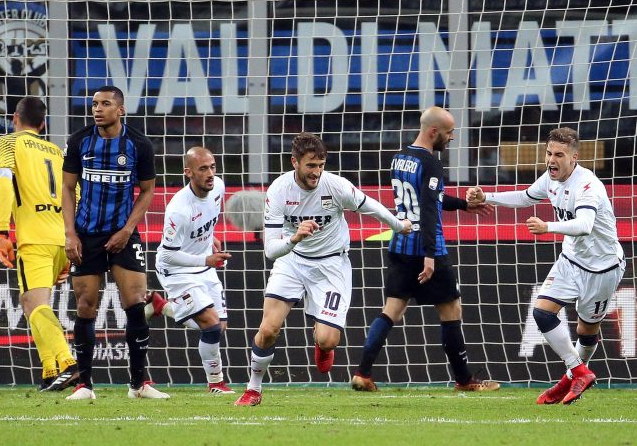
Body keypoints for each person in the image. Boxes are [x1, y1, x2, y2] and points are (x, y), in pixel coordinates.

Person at [234, 132, 412, 406]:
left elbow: (370, 206)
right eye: (310, 166)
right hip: (292, 261)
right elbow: (270, 251)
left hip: (331, 265)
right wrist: (294, 238)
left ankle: (321, 343)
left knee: (328, 340)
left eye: (320, 165)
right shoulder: (279, 191)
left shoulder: (336, 186)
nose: (316, 172)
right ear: (295, 162)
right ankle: (253, 389)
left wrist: (398, 225)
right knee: (268, 328)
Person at [467, 127, 624, 404]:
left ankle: (569, 380)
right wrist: (487, 197)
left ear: (574, 157)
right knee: (542, 313)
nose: (552, 160)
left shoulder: (588, 186)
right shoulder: (551, 179)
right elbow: (526, 196)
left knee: (586, 331)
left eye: (559, 155)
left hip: (602, 268)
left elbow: (585, 225)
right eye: (549, 153)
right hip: (570, 259)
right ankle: (579, 372)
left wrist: (547, 226)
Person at [351, 106, 500, 393]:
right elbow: (430, 208)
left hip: (399, 245)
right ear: (434, 132)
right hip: (427, 248)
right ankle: (465, 380)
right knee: (451, 309)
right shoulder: (431, 163)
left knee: (391, 310)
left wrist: (463, 205)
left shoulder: (399, 158)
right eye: (449, 133)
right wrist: (430, 255)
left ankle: (363, 373)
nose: (452, 137)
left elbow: (429, 197)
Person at [61, 85, 168, 400]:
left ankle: (138, 385)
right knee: (85, 307)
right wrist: (69, 234)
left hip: (124, 234)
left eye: (105, 104)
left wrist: (127, 229)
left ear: (121, 109)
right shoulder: (79, 142)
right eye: (94, 104)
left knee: (135, 303)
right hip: (86, 234)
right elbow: (67, 189)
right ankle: (85, 386)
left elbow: (147, 190)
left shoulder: (139, 145)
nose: (97, 109)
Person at [0, 96, 79, 392]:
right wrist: (71, 240)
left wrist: (2, 232)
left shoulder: (7, 143)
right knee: (30, 303)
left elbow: (4, 182)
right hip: (62, 237)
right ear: (43, 124)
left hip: (35, 237)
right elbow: (74, 194)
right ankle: (50, 368)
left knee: (34, 304)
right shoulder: (57, 151)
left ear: (15, 118)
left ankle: (67, 362)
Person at [152, 146, 234, 394]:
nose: (210, 173)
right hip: (176, 270)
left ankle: (162, 306)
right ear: (188, 172)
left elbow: (206, 221)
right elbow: (168, 254)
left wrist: (211, 238)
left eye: (212, 167)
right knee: (210, 325)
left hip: (203, 263)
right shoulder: (179, 209)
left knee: (219, 327)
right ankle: (216, 383)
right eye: (203, 169)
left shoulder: (217, 187)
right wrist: (205, 260)